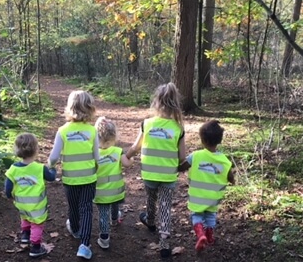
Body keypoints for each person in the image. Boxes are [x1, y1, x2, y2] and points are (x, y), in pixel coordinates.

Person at [125, 82, 186, 258]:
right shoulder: (178, 128)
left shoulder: (147, 124)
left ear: (157, 102)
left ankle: (150, 221)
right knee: (165, 206)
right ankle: (165, 243)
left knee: (151, 199)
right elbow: (182, 156)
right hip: (168, 175)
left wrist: (126, 156)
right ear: (175, 104)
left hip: (149, 173)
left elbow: (136, 147)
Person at [48, 90, 99, 260]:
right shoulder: (92, 131)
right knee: (86, 208)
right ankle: (85, 245)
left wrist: (50, 165)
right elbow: (97, 157)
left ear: (70, 108)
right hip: (89, 178)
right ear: (89, 108)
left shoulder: (62, 131)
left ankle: (75, 229)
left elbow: (54, 157)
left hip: (70, 179)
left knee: (73, 206)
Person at [179, 120, 235, 251]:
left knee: (196, 215)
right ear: (220, 140)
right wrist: (233, 181)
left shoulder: (196, 156)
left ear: (202, 140)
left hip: (197, 196)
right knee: (210, 215)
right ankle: (209, 235)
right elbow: (230, 177)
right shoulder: (224, 161)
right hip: (213, 197)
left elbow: (182, 167)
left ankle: (200, 234)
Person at [4, 133, 56, 258]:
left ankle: (25, 236)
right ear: (35, 150)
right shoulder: (39, 168)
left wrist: (9, 196)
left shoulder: (13, 169)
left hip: (21, 204)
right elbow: (51, 178)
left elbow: (8, 188)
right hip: (37, 205)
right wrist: (53, 168)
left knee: (25, 217)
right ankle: (36, 247)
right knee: (37, 224)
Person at [93, 116, 134, 249]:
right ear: (114, 136)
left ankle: (104, 238)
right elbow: (127, 164)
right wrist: (131, 158)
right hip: (116, 189)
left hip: (101, 191)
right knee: (114, 204)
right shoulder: (118, 151)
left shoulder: (94, 154)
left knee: (103, 214)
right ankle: (115, 219)